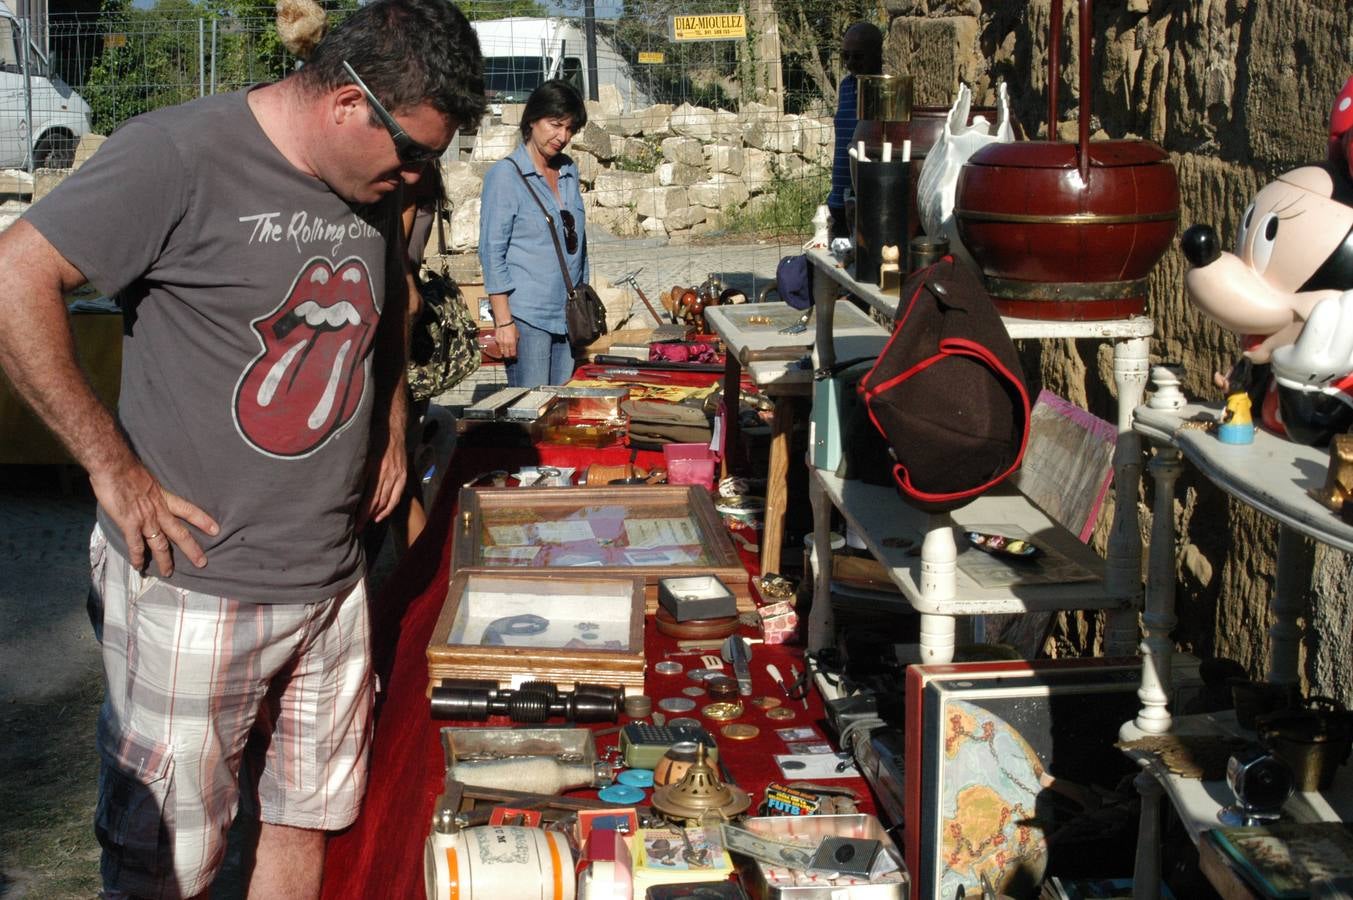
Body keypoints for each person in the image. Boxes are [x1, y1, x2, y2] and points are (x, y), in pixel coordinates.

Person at [0, 0, 484, 896]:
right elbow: (15, 275)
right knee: (167, 863)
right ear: (347, 103)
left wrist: (385, 422)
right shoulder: (179, 153)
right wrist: (112, 467)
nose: (421, 180)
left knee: (306, 823)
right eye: (412, 153)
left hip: (331, 583)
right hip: (198, 585)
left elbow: (390, 310)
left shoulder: (371, 187)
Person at [479, 79, 589, 388]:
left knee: (562, 412)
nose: (562, 136)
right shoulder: (505, 176)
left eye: (569, 129)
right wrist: (504, 322)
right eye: (555, 124)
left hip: (568, 316)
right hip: (528, 318)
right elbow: (492, 253)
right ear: (532, 120)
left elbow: (579, 243)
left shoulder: (568, 171)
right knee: (531, 412)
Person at [828, 21, 884, 239]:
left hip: (867, 198)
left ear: (876, 55)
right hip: (839, 197)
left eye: (858, 57)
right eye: (846, 56)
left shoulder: (882, 90)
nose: (851, 63)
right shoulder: (845, 86)